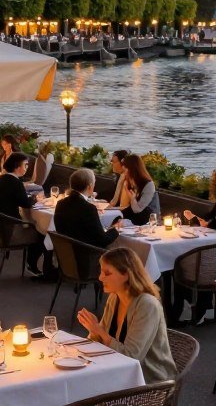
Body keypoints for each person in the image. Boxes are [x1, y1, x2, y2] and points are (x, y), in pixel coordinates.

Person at [76, 247, 176, 384]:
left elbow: (132, 357)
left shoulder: (147, 305)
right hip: (117, 370)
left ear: (126, 275)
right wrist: (93, 330)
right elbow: (101, 341)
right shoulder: (114, 297)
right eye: (101, 272)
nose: (100, 277)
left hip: (148, 381)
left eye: (107, 273)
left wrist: (99, 331)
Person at [0, 152, 44, 276]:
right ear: (17, 167)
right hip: (9, 229)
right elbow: (25, 203)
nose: (27, 168)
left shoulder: (2, 178)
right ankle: (32, 264)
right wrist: (36, 198)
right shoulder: (14, 182)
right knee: (42, 232)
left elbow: (16, 198)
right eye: (26, 165)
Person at [54, 168, 122, 248]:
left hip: (66, 253)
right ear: (89, 187)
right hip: (87, 255)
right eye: (94, 183)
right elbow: (102, 240)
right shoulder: (89, 209)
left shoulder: (60, 204)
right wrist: (115, 230)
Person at [119, 153, 159, 226]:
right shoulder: (132, 182)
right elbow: (125, 205)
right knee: (117, 217)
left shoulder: (148, 185)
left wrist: (132, 198)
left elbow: (137, 209)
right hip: (136, 214)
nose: (123, 169)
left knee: (122, 220)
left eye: (125, 167)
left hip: (148, 218)